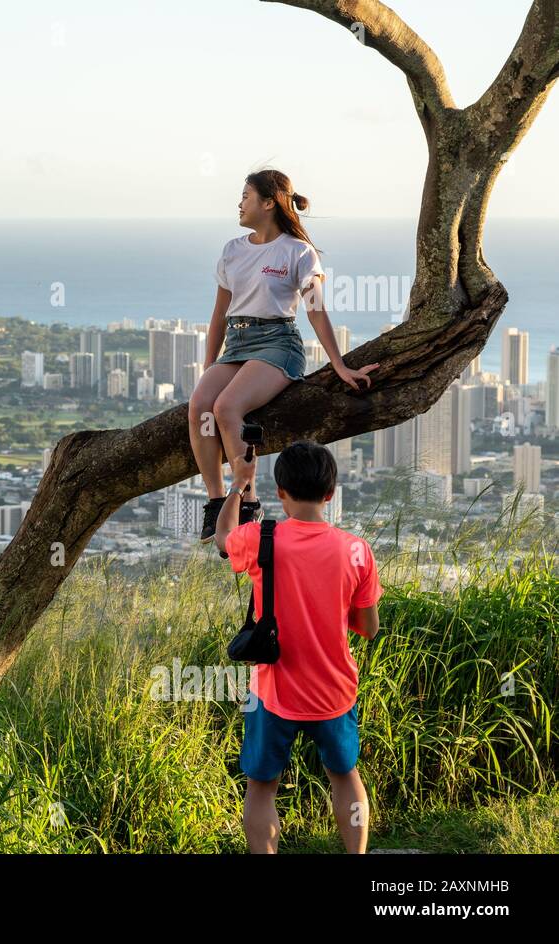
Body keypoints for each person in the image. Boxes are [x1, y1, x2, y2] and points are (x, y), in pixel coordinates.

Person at [189, 169, 378, 543]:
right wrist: (211, 365)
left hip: (278, 343)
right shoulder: (232, 250)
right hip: (238, 343)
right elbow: (218, 314)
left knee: (227, 408)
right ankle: (215, 502)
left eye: (245, 196)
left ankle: (247, 500)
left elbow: (315, 309)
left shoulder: (298, 252)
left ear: (269, 201)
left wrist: (338, 364)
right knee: (199, 406)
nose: (239, 204)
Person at [215, 441, 382, 854]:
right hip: (334, 689)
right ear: (331, 493)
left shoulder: (259, 539)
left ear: (281, 492)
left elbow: (221, 538)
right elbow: (368, 628)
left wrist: (238, 484)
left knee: (261, 787)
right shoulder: (356, 550)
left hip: (273, 691)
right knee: (345, 776)